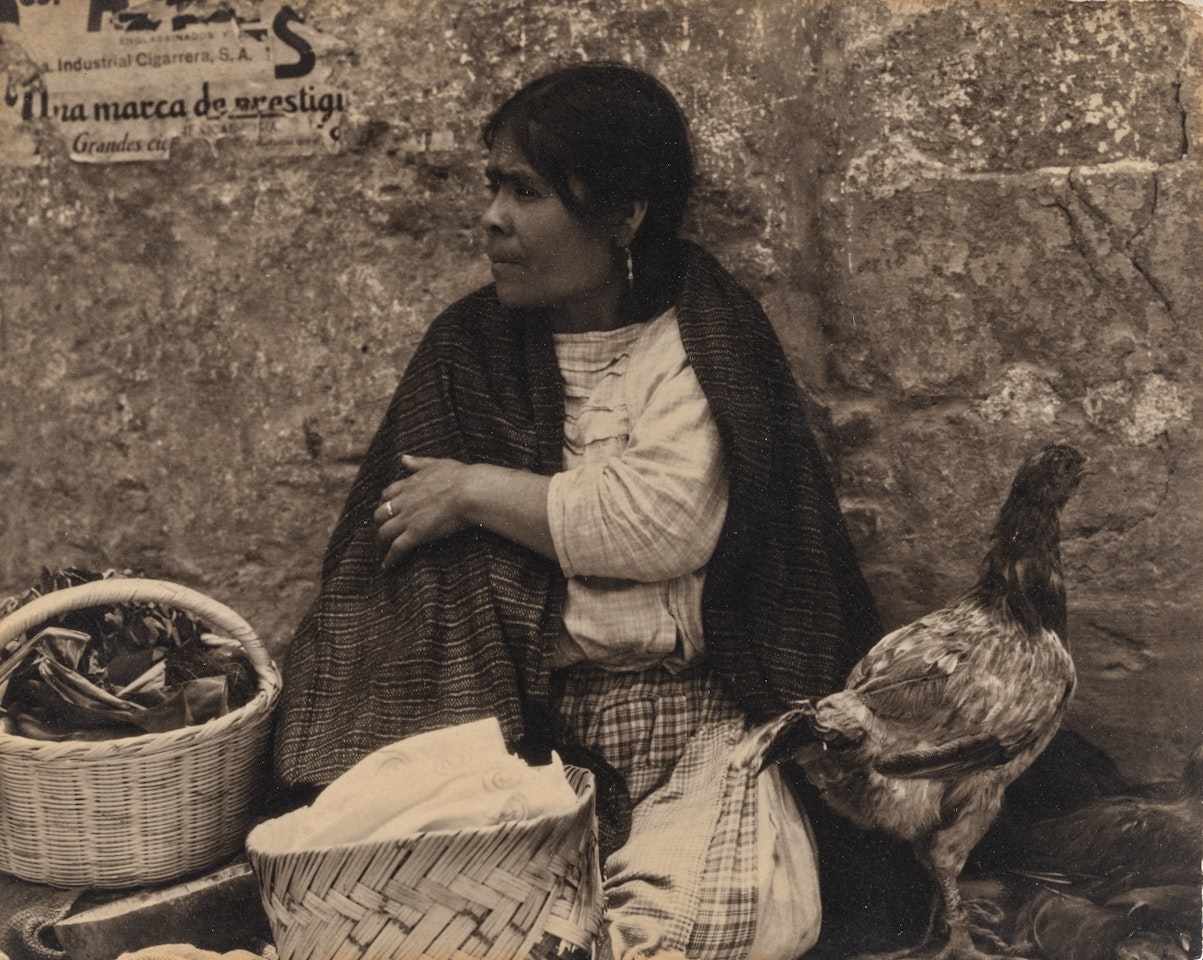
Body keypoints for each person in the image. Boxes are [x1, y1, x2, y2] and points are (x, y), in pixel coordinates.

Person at [273, 61, 882, 960]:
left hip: (696, 722)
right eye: (493, 186)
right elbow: (407, 582)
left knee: (716, 924)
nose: (491, 218)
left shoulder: (699, 337)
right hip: (522, 734)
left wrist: (475, 492)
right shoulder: (467, 353)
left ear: (624, 214)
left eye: (524, 191)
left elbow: (664, 521)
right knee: (414, 918)